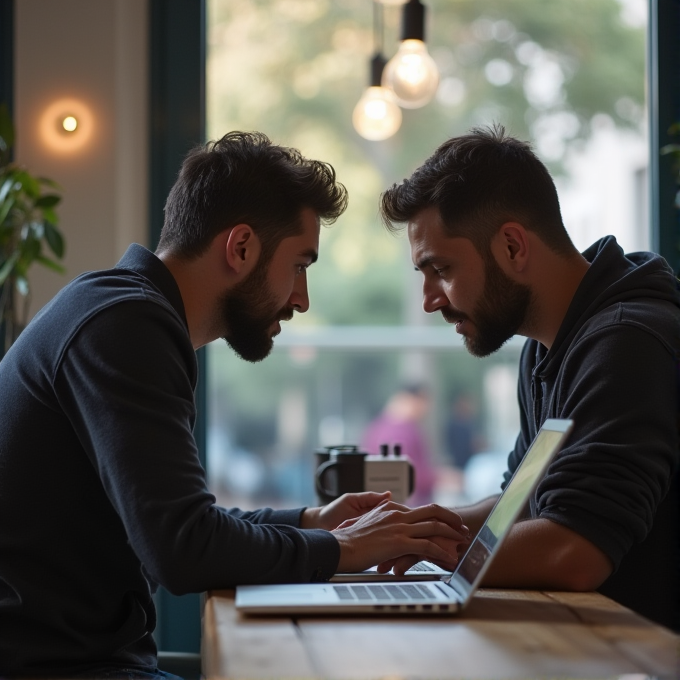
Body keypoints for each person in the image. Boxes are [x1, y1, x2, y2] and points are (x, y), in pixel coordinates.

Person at [0, 132, 469, 678]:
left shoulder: (118, 309)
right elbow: (183, 548)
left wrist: (311, 522)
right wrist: (341, 549)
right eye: (299, 264)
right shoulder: (125, 325)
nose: (302, 298)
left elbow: (180, 522)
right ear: (240, 247)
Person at [378, 125, 680, 630]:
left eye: (442, 269)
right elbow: (523, 505)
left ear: (513, 246)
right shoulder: (546, 347)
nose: (431, 299)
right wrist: (415, 527)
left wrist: (442, 549)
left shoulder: (628, 342)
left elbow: (575, 548)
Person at [361, 384, 437, 505]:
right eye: (423, 402)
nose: (426, 409)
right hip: (402, 505)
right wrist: (440, 478)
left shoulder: (377, 426)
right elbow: (409, 475)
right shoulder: (401, 431)